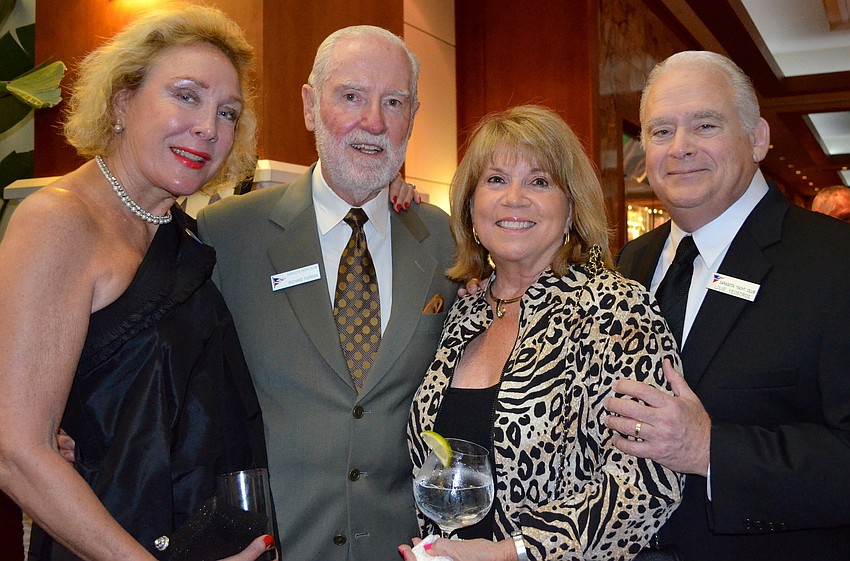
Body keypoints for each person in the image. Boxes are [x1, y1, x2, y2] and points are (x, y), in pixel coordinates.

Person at [0, 6, 273, 561]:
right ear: (122, 100)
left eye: (227, 112)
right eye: (186, 95)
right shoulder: (59, 220)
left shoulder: (182, 233)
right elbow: (16, 451)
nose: (207, 127)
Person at [196, 25, 457, 561]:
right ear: (311, 107)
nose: (374, 122)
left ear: (413, 116)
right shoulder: (226, 235)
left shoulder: (445, 240)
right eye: (352, 96)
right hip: (272, 548)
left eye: (394, 102)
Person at [399, 105, 683, 561]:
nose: (514, 198)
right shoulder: (462, 308)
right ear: (471, 206)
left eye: (540, 181)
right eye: (495, 180)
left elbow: (647, 481)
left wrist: (517, 552)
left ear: (571, 207)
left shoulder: (616, 311)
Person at [606, 51, 850, 560]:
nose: (680, 149)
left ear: (758, 138)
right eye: (661, 131)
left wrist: (710, 450)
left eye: (705, 125)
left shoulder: (835, 263)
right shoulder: (632, 259)